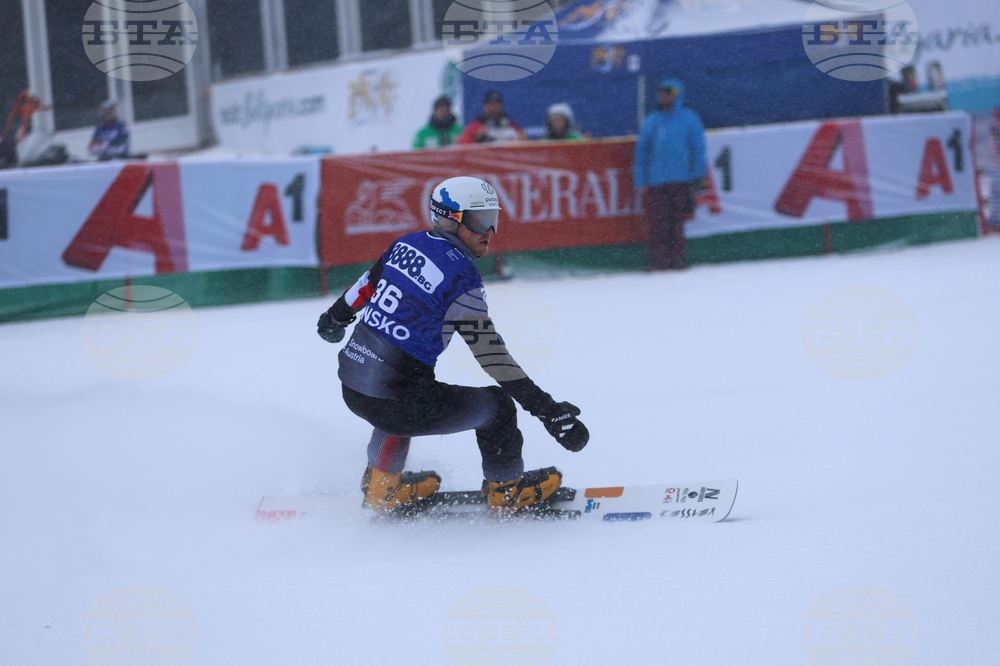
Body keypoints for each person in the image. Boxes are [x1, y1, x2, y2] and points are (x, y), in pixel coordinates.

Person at [316, 176, 588, 514]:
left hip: (352, 386)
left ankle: (381, 487)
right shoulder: (460, 276)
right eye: (479, 221)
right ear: (449, 219)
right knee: (497, 407)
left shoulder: (408, 243)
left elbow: (367, 284)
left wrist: (336, 316)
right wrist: (548, 411)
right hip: (394, 403)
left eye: (494, 219)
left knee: (399, 392)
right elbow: (492, 356)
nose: (490, 231)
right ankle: (506, 493)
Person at [634, 79, 707, 271]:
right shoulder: (652, 120)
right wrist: (641, 180)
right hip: (656, 182)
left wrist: (698, 177)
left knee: (677, 222)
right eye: (661, 94)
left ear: (676, 96)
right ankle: (658, 260)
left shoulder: (689, 119)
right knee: (658, 224)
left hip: (681, 180)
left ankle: (677, 259)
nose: (663, 98)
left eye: (668, 94)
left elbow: (698, 150)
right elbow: (641, 151)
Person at [456, 91, 525, 145]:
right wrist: (477, 140)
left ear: (501, 107)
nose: (493, 108)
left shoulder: (511, 127)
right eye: (490, 104)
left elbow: (522, 145)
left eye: (496, 104)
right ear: (484, 107)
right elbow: (463, 147)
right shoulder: (474, 128)